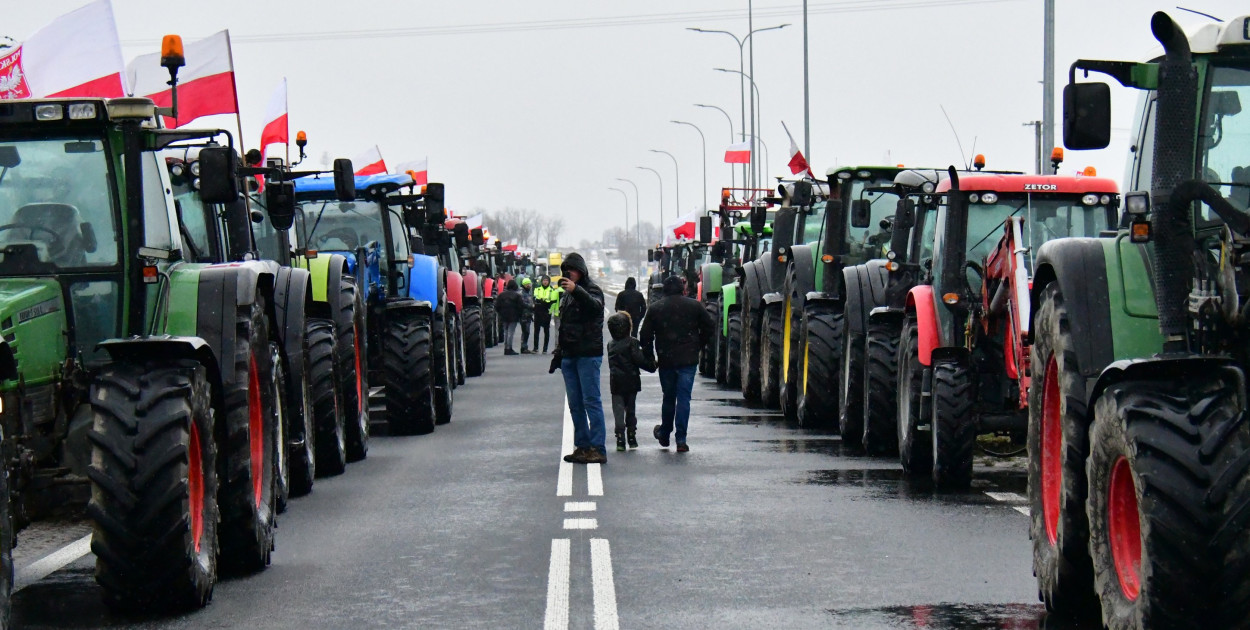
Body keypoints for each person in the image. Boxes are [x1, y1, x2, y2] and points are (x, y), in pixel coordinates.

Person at [640, 275, 715, 453]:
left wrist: (650, 357)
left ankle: (665, 433)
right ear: (683, 289)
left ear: (664, 290)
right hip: (688, 360)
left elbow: (645, 336)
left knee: (668, 397)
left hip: (666, 360)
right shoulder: (694, 306)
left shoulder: (656, 308)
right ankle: (681, 439)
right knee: (684, 399)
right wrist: (698, 345)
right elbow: (709, 327)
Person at [554, 253, 608, 464]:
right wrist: (559, 353)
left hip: (587, 354)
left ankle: (598, 447)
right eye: (566, 270)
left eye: (573, 270)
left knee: (591, 401)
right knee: (575, 404)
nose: (570, 274)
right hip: (570, 355)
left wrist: (577, 290)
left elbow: (595, 307)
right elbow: (564, 326)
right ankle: (583, 446)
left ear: (582, 271)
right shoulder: (567, 295)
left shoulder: (591, 290)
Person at [607, 311, 655, 451]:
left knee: (618, 410)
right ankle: (632, 435)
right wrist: (652, 366)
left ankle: (620, 438)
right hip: (631, 380)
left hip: (616, 381)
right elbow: (639, 359)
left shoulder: (610, 344)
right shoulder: (632, 342)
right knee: (631, 409)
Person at [496, 279, 523, 355]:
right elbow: (520, 306)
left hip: (504, 316)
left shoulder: (501, 295)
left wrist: (500, 313)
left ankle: (506, 348)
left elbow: (497, 306)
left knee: (506, 332)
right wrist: (519, 315)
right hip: (513, 316)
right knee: (511, 332)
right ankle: (509, 348)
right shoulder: (517, 296)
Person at [533, 275, 557, 353]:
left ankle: (545, 348)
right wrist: (541, 301)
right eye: (544, 280)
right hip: (538, 311)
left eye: (546, 280)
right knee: (536, 330)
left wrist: (544, 302)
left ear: (549, 282)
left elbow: (553, 300)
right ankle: (535, 347)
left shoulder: (552, 290)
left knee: (546, 331)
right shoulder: (537, 289)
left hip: (546, 311)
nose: (545, 282)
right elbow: (535, 298)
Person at [519, 277, 536, 354]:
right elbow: (522, 304)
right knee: (525, 331)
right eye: (527, 284)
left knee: (526, 332)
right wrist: (531, 306)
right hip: (524, 315)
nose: (529, 285)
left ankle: (524, 347)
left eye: (529, 284)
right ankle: (523, 347)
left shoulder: (528, 293)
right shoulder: (522, 293)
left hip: (528, 315)